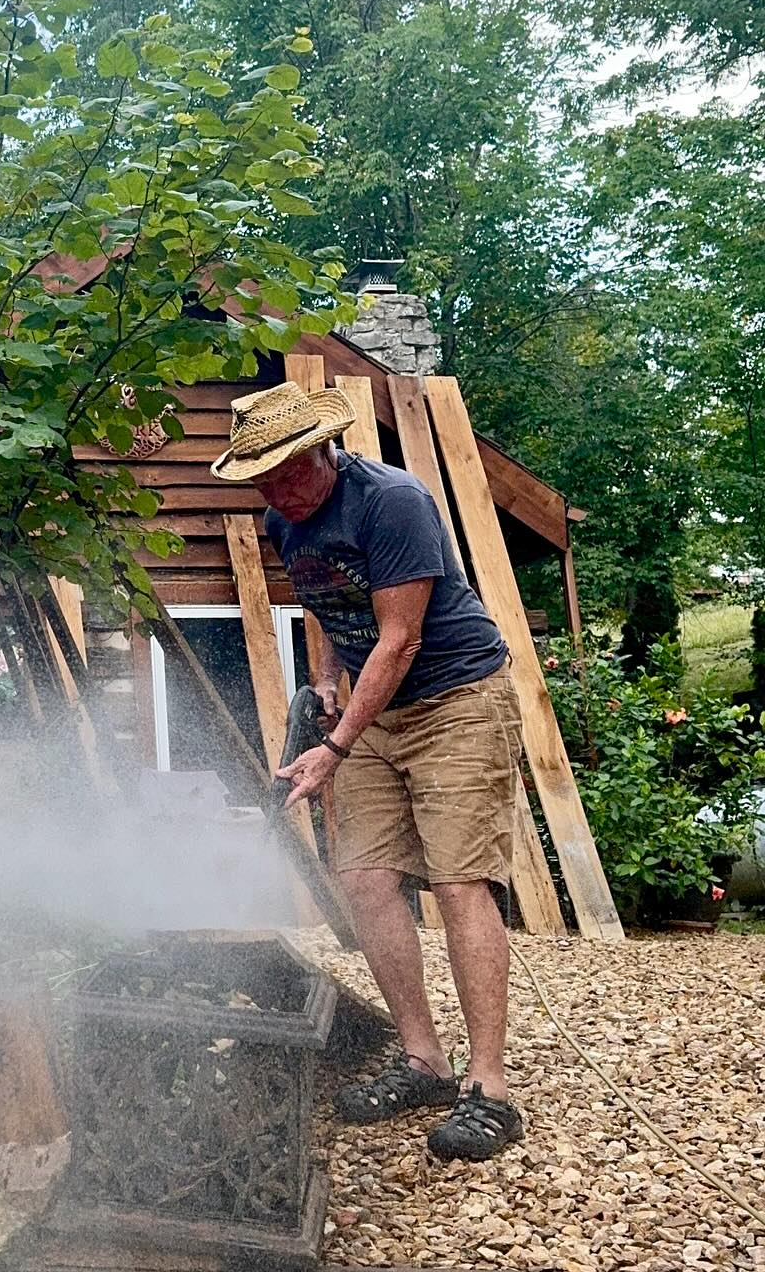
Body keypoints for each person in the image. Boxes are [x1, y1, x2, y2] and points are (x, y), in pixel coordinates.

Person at [210, 379, 525, 1161]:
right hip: (369, 712)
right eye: (262, 479)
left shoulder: (393, 502)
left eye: (287, 471)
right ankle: (423, 1058)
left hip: (456, 697)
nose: (277, 491)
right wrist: (323, 684)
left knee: (458, 882)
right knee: (364, 879)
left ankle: (489, 1087)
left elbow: (399, 638)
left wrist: (338, 744)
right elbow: (323, 603)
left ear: (322, 449)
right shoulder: (286, 516)